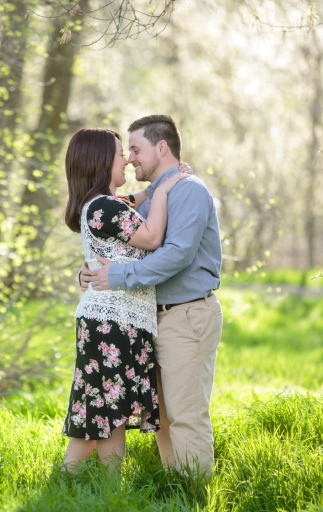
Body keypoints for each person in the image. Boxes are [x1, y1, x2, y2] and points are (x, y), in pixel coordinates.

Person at [82, 115, 223, 480]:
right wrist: (88, 273)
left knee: (185, 414)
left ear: (162, 148)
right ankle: (175, 486)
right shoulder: (146, 200)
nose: (129, 158)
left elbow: (175, 255)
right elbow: (119, 245)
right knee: (162, 415)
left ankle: (193, 493)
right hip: (148, 320)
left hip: (185, 316)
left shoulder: (189, 191)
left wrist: (116, 276)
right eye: (126, 151)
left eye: (136, 148)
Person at [61, 127, 189, 472]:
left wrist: (151, 189)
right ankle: (77, 483)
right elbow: (149, 238)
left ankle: (101, 487)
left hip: (119, 320)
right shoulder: (102, 205)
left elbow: (131, 202)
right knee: (102, 411)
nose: (127, 160)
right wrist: (164, 190)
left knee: (108, 409)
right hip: (111, 323)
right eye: (120, 154)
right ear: (102, 162)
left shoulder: (106, 204)